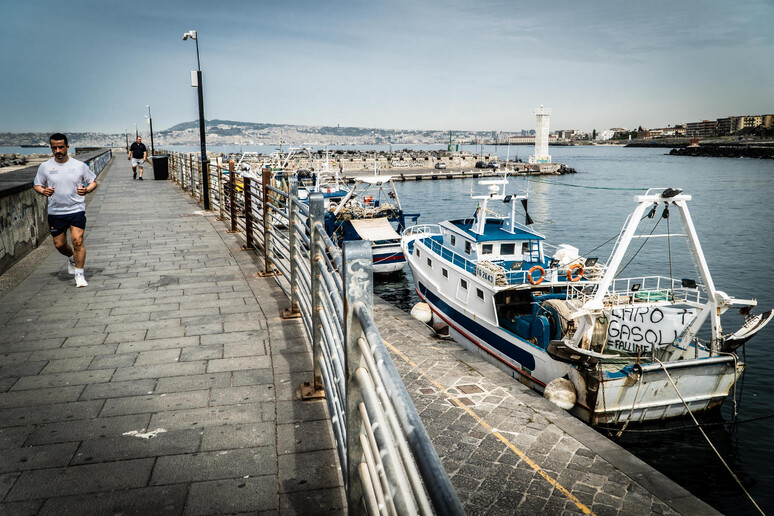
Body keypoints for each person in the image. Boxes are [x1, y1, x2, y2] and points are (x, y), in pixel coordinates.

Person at [33, 133, 97, 287]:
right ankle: (71, 257)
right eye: (55, 147)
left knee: (77, 241)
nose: (58, 150)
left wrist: (87, 190)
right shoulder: (45, 167)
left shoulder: (79, 165)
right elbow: (37, 184)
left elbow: (93, 181)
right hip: (56, 212)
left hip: (76, 209)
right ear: (51, 148)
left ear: (67, 147)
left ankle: (79, 275)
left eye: (61, 147)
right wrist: (43, 191)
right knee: (59, 245)